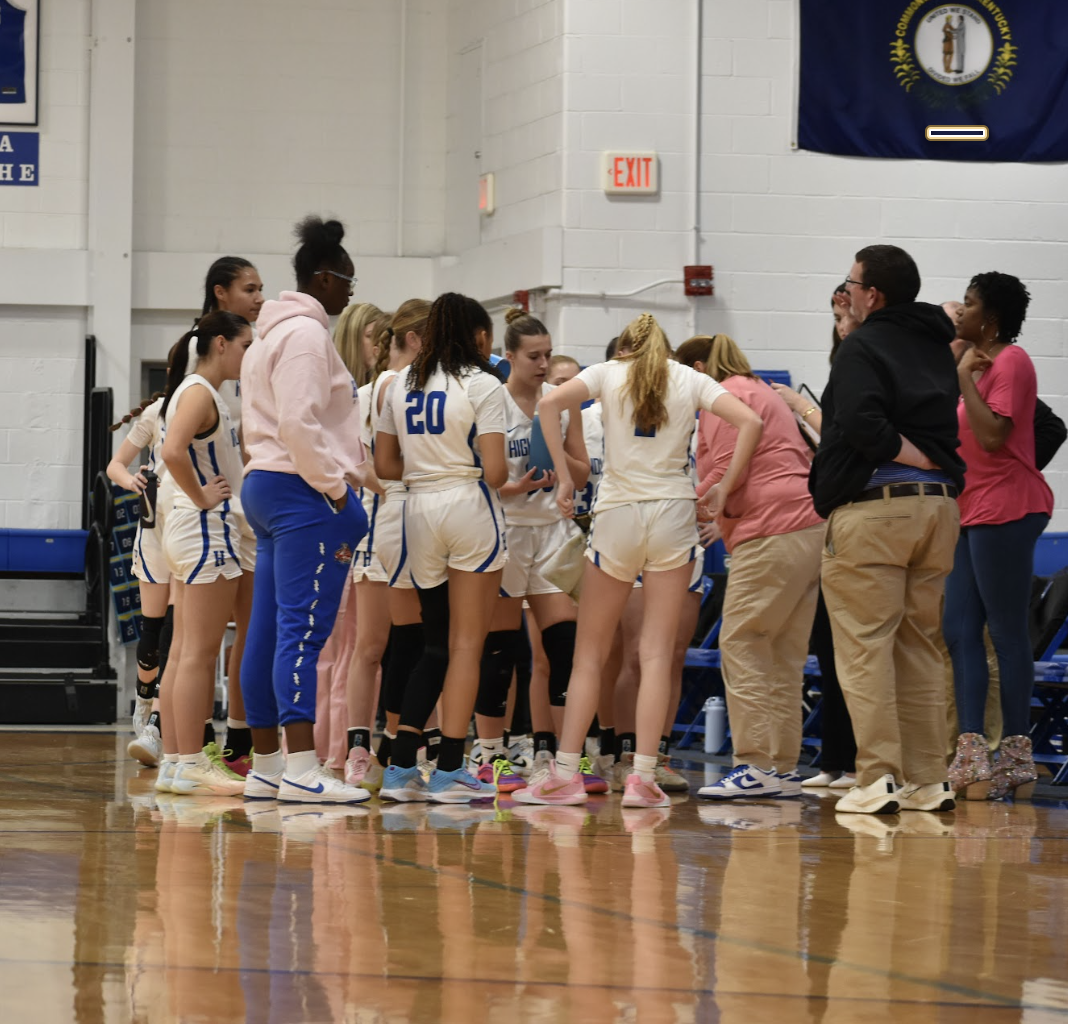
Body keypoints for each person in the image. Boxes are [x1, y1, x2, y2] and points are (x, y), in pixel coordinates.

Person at [515, 312, 762, 809]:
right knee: (655, 656)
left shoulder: (608, 373)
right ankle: (643, 776)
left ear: (623, 349)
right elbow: (751, 421)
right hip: (672, 513)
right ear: (664, 350)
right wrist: (721, 488)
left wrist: (564, 479)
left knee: (590, 654)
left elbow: (548, 403)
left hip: (618, 514)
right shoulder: (688, 376)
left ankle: (564, 773)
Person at [811, 244, 964, 815]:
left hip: (877, 508)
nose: (844, 291)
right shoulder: (934, 347)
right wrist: (929, 463)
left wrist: (911, 456)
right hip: (938, 510)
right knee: (922, 646)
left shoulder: (862, 346)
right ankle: (929, 779)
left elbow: (860, 422)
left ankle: (876, 778)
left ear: (872, 294)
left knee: (864, 647)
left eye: (849, 283)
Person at [239, 216, 371, 805]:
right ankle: (301, 767)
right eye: (348, 280)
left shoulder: (267, 334)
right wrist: (337, 490)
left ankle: (267, 765)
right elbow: (299, 422)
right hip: (300, 491)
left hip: (269, 485)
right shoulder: (307, 336)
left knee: (266, 632)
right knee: (303, 630)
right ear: (323, 278)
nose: (350, 291)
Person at [674, 335, 825, 800]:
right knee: (781, 651)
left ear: (698, 367)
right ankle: (779, 767)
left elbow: (721, 470)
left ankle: (755, 762)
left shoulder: (725, 398)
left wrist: (668, 507)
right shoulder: (759, 388)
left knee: (741, 641)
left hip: (771, 528)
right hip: (807, 525)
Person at [374, 292, 508, 804]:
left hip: (418, 510)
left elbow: (385, 465)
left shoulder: (401, 384)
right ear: (477, 337)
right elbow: (495, 472)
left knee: (432, 643)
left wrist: (428, 466)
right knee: (467, 646)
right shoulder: (483, 384)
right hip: (469, 505)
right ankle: (451, 768)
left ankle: (401, 768)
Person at [944, 273, 1052, 802]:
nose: (960, 311)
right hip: (972, 510)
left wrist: (965, 376)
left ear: (990, 318)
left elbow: (992, 436)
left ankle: (1015, 753)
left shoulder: (1011, 362)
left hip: (1009, 506)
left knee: (1006, 632)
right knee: (959, 628)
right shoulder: (977, 362)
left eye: (968, 304)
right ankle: (970, 752)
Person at [472, 309, 590, 793]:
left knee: (565, 645)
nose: (543, 364)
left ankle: (563, 759)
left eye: (547, 354)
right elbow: (480, 479)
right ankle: (491, 755)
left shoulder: (560, 403)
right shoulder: (492, 401)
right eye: (533, 356)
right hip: (505, 530)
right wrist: (515, 485)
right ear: (511, 356)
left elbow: (582, 468)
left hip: (552, 531)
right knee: (501, 650)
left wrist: (558, 460)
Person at [155, 311, 254, 797]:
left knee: (183, 652)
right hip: (203, 528)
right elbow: (173, 451)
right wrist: (202, 497)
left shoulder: (197, 391)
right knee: (199, 653)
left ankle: (176, 760)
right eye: (244, 346)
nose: (249, 355)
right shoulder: (199, 392)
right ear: (220, 343)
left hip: (186, 530)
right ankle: (192, 759)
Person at [196, 256, 265, 775]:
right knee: (194, 637)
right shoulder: (200, 363)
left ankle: (238, 739)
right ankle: (184, 739)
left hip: (249, 507)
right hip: (205, 512)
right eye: (249, 289)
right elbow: (167, 439)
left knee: (249, 627)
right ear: (221, 294)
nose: (259, 297)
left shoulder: (259, 351)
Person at [107, 386, 171, 768]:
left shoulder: (219, 406)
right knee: (153, 627)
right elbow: (117, 464)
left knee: (174, 632)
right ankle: (145, 697)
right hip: (154, 526)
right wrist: (132, 481)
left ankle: (159, 727)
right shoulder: (158, 413)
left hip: (193, 528)